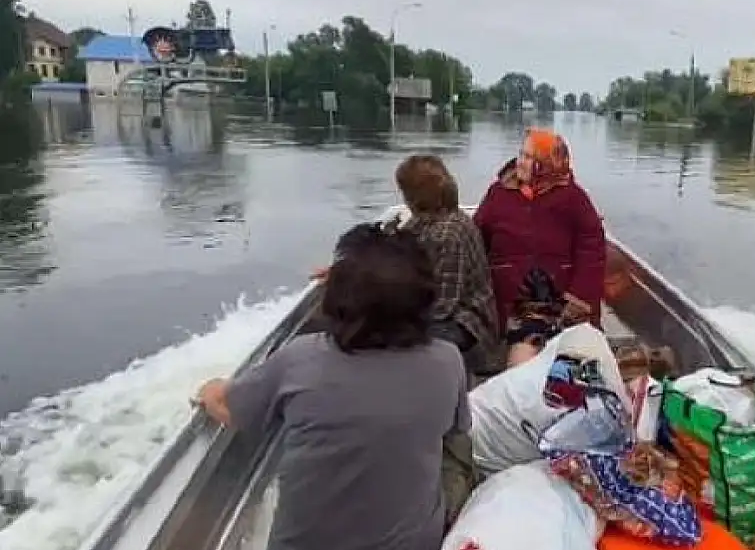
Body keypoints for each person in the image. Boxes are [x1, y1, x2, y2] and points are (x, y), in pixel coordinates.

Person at [193, 224, 469, 550]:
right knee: (455, 460)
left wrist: (210, 389)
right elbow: (457, 429)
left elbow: (229, 409)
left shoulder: (299, 360)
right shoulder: (448, 361)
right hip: (413, 543)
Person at [474, 127, 606, 363]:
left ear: (547, 163)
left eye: (528, 157)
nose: (519, 162)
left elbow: (592, 251)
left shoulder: (573, 198)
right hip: (515, 303)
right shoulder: (498, 193)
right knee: (522, 361)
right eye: (520, 154)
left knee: (573, 361)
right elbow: (476, 239)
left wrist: (577, 299)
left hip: (562, 303)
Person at [394, 154, 502, 379]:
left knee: (406, 342)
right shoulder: (427, 220)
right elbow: (394, 247)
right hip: (442, 312)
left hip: (469, 324)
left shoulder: (449, 234)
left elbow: (443, 306)